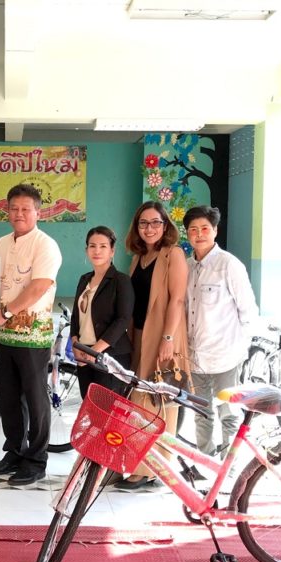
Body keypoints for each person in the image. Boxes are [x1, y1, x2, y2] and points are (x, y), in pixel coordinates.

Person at [0, 183, 62, 485]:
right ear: (7, 211)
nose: (19, 214)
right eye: (14, 208)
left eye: (25, 209)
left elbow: (39, 286)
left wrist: (5, 313)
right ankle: (15, 452)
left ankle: (36, 459)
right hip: (4, 336)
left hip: (33, 336)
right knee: (7, 397)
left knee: (35, 397)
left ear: (38, 212)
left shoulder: (46, 245)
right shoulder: (0, 243)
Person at [117, 200, 189, 491]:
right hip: (139, 335)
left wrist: (168, 338)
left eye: (155, 222)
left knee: (156, 402)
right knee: (142, 401)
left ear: (165, 225)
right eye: (143, 223)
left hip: (162, 335)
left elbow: (177, 299)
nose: (149, 228)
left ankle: (151, 470)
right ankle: (142, 465)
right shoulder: (139, 257)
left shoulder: (174, 254)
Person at [184, 205, 258, 457]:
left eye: (205, 228)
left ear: (215, 230)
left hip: (226, 357)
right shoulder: (187, 267)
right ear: (187, 234)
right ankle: (205, 461)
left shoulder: (229, 265)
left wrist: (241, 348)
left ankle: (229, 466)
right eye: (193, 229)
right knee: (200, 414)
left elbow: (248, 310)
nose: (199, 234)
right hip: (195, 358)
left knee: (229, 413)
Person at [71, 226, 134, 399]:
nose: (97, 251)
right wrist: (75, 344)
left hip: (111, 356)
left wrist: (96, 351)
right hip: (84, 354)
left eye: (103, 246)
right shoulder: (84, 279)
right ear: (86, 250)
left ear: (112, 251)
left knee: (107, 409)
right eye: (92, 246)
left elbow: (123, 319)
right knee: (89, 406)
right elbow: (76, 315)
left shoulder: (121, 280)